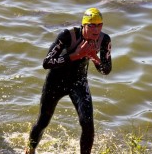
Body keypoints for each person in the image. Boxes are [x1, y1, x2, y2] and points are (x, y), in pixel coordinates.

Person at [25, 8, 112, 154]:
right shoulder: (67, 35)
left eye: (99, 25)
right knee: (43, 121)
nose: (96, 30)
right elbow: (47, 63)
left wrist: (94, 57)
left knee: (87, 123)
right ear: (83, 25)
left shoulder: (104, 40)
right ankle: (30, 149)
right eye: (91, 25)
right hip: (56, 81)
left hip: (78, 82)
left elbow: (106, 70)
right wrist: (76, 55)